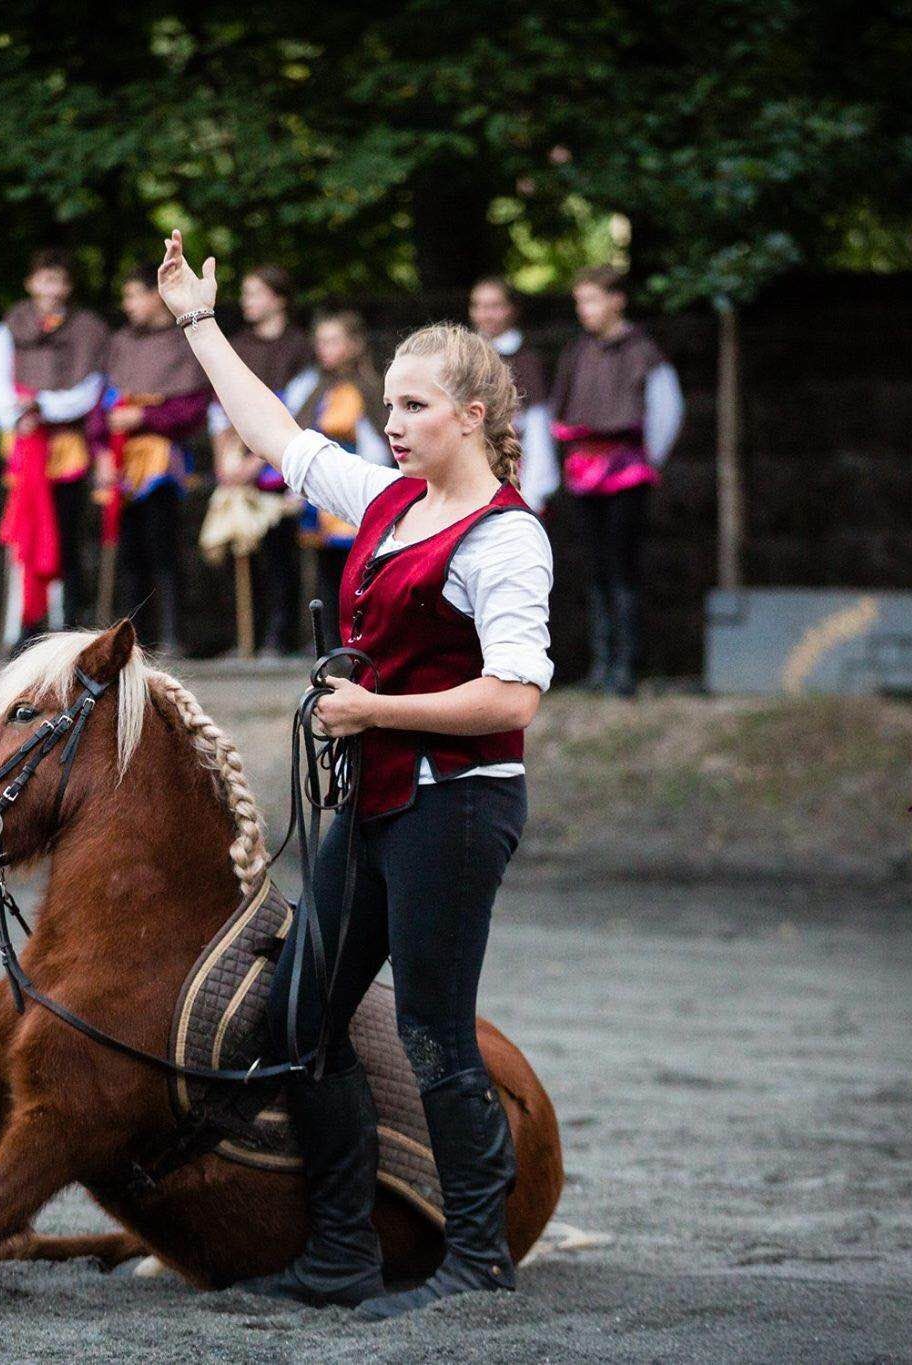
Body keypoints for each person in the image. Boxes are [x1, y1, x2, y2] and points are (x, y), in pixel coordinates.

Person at [158, 230, 553, 1318]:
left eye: (415, 407)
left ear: (471, 414)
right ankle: (341, 1253)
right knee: (301, 1021)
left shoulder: (506, 541)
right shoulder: (386, 502)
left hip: (457, 809)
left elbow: (514, 696)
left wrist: (373, 707)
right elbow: (274, 433)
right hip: (376, 803)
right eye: (388, 406)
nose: (391, 424)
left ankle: (477, 1263)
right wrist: (197, 319)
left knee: (430, 1027)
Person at [548, 265, 683, 695]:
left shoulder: (643, 351)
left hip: (627, 473)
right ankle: (601, 665)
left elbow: (667, 411)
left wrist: (645, 462)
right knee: (594, 568)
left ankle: (626, 667)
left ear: (616, 300)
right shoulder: (578, 352)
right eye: (580, 302)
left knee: (624, 568)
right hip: (585, 475)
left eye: (591, 300)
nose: (584, 310)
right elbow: (561, 410)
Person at [0, 248, 110, 643]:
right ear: (31, 283)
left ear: (68, 286)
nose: (51, 288)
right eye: (44, 279)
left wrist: (44, 406)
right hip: (24, 449)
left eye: (59, 280)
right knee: (25, 534)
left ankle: (69, 623)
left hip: (66, 450)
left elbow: (90, 390)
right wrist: (18, 414)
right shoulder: (8, 328)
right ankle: (27, 626)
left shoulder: (88, 330)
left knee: (67, 537)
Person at [90, 265, 211, 651]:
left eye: (133, 296)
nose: (127, 305)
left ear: (154, 295)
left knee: (164, 549)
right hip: (122, 462)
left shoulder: (182, 342)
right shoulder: (121, 342)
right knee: (128, 554)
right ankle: (130, 641)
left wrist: (145, 416)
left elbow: (193, 408)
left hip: (162, 462)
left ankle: (174, 636)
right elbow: (101, 404)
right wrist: (102, 451)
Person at [213, 265, 313, 654]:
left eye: (256, 293)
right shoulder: (236, 344)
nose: (247, 301)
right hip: (238, 462)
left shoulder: (300, 348)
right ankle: (245, 638)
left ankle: (279, 634)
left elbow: (298, 408)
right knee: (241, 550)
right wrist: (227, 458)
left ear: (279, 299)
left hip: (276, 462)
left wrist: (260, 457)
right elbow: (221, 404)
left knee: (279, 552)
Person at [284, 310, 392, 628]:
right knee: (326, 574)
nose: (324, 349)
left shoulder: (371, 387)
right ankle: (329, 642)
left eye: (333, 341)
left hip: (360, 486)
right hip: (321, 493)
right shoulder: (313, 387)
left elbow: (378, 442)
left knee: (360, 571)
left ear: (354, 344)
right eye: (321, 341)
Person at [468, 277, 559, 513]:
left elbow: (538, 426)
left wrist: (534, 489)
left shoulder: (527, 361)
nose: (485, 314)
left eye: (494, 306)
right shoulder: (462, 358)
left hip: (515, 468)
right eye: (478, 306)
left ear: (511, 310)